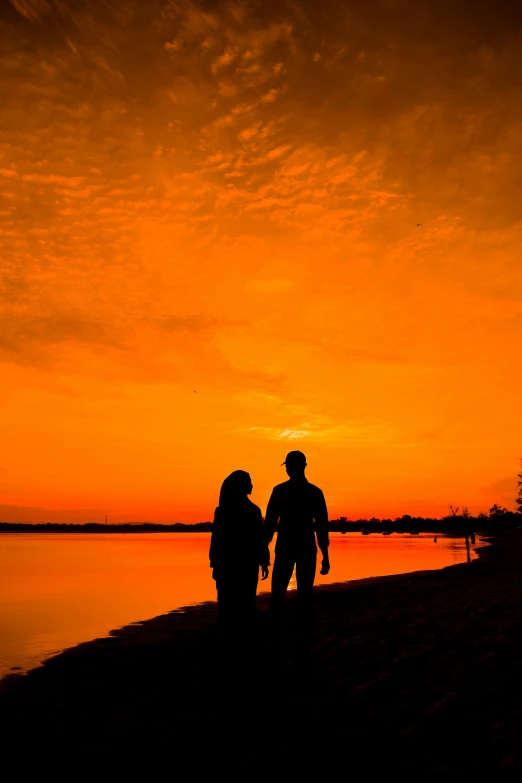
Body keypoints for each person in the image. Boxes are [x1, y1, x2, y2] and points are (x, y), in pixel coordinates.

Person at [264, 451, 330, 623]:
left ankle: (286, 628)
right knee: (298, 594)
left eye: (289, 466)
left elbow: (270, 524)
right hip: (301, 547)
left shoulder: (281, 491)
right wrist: (325, 555)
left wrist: (263, 547)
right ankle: (295, 628)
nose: (288, 469)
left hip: (293, 548)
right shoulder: (313, 492)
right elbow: (322, 526)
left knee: (282, 593)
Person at [209, 470, 269, 632]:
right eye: (248, 482)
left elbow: (258, 539)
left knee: (231, 603)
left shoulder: (227, 511)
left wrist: (264, 561)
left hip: (236, 565)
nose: (251, 485)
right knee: (242, 602)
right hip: (238, 564)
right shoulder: (248, 511)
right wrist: (264, 561)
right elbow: (218, 539)